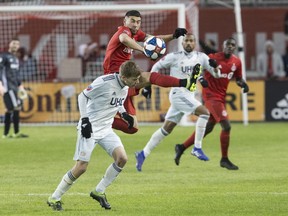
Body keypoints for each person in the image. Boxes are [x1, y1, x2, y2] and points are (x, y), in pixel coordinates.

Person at [47, 61, 141, 211]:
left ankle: (99, 191)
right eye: (134, 79)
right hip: (90, 128)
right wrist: (84, 120)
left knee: (122, 158)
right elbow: (82, 96)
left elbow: (118, 101)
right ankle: (54, 197)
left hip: (106, 128)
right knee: (81, 167)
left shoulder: (125, 86)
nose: (137, 82)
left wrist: (124, 114)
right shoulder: (103, 82)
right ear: (124, 77)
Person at [135, 33, 221, 172]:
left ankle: (143, 153)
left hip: (189, 96)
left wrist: (216, 67)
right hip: (178, 94)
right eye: (186, 40)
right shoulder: (174, 56)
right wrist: (148, 85)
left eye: (191, 41)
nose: (188, 43)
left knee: (166, 129)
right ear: (182, 43)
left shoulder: (202, 57)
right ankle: (197, 147)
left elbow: (217, 75)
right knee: (205, 114)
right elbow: (156, 66)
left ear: (195, 43)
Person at [103, 10, 188, 134]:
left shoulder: (136, 34)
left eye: (138, 22)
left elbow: (154, 40)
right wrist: (143, 50)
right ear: (125, 21)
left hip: (125, 77)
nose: (135, 24)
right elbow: (124, 39)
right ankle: (184, 82)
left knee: (132, 127)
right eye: (132, 21)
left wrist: (173, 36)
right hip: (115, 77)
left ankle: (97, 120)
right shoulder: (124, 31)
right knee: (148, 77)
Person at [174, 37, 249, 170]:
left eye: (232, 45)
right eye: (228, 44)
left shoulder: (237, 62)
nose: (230, 47)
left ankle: (181, 147)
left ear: (235, 48)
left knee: (208, 128)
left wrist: (243, 84)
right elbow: (196, 68)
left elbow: (238, 78)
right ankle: (224, 159)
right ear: (223, 45)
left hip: (221, 97)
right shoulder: (213, 57)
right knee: (226, 126)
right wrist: (201, 78)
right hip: (210, 96)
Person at [0, 38, 28, 138]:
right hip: (7, 87)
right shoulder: (4, 56)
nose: (15, 45)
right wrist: (0, 85)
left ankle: (7, 134)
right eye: (14, 43)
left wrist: (21, 86)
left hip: (15, 87)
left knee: (11, 109)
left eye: (17, 44)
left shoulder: (15, 59)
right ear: (10, 44)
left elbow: (16, 75)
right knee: (15, 107)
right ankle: (14, 133)